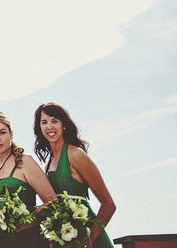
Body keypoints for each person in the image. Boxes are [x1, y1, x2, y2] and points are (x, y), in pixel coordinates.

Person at [34, 103, 116, 248]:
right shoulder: (48, 164)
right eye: (44, 122)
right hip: (64, 239)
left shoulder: (76, 155)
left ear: (64, 125)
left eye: (54, 121)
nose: (49, 127)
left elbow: (109, 205)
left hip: (86, 240)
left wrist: (92, 236)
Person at [0, 111, 56, 248]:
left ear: (11, 134)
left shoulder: (24, 161)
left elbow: (52, 202)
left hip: (27, 241)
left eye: (2, 132)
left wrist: (22, 224)